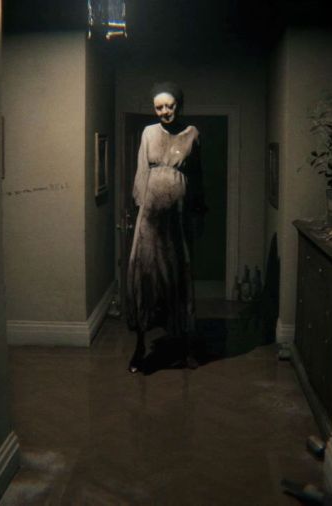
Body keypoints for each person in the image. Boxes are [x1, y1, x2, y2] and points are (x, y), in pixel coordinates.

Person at [126, 82, 206, 373]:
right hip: (150, 218)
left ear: (178, 105)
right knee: (145, 276)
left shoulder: (192, 133)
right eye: (158, 107)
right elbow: (141, 172)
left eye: (169, 106)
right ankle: (139, 348)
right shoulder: (148, 133)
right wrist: (140, 211)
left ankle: (185, 347)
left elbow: (197, 176)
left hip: (178, 220)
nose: (164, 112)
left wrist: (197, 211)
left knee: (178, 277)